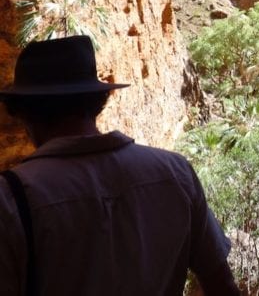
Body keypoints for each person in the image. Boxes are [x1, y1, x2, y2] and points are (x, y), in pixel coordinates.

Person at [0, 36, 239, 296]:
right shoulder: (175, 172)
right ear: (98, 101)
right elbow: (222, 286)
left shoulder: (11, 198)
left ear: (24, 113)